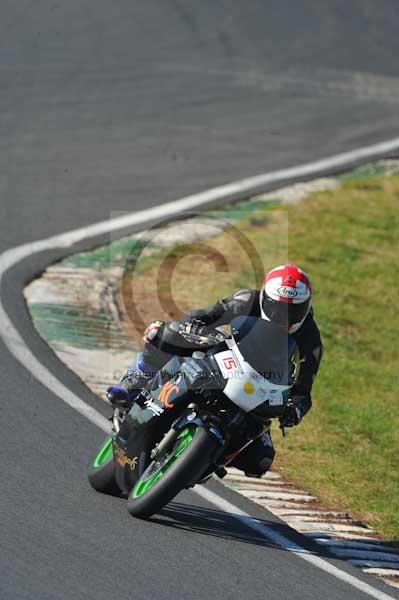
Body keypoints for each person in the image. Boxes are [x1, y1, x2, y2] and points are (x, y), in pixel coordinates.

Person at [107, 263, 323, 477]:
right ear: (265, 298)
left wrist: (294, 410)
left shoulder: (311, 341)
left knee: (261, 459)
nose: (283, 318)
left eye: (294, 311)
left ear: (306, 307)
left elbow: (303, 391)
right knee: (163, 333)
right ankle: (133, 384)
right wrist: (194, 328)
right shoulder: (247, 300)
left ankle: (207, 460)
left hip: (258, 393)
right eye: (277, 308)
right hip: (223, 361)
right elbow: (206, 315)